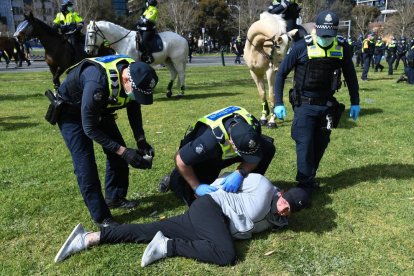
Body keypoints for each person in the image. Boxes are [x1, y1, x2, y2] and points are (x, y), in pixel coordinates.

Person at [54, 173, 311, 266]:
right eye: (285, 203)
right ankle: (167, 247)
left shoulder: (279, 220)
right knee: (226, 255)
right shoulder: (262, 185)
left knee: (149, 229)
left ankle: (89, 237)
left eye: (289, 211)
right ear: (283, 193)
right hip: (211, 209)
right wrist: (210, 187)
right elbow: (229, 180)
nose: (284, 210)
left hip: (212, 226)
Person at [52, 55, 158, 227]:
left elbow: (133, 107)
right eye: (136, 92)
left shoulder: (133, 73)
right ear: (125, 79)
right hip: (71, 113)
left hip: (99, 108)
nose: (136, 96)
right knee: (86, 166)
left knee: (118, 154)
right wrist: (124, 152)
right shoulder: (97, 82)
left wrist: (141, 141)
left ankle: (114, 198)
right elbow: (89, 128)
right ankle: (102, 218)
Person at [273, 11, 360, 193]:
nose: (326, 39)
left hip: (327, 105)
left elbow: (351, 77)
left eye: (330, 36)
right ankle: (305, 183)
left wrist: (355, 102)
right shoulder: (300, 47)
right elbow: (281, 74)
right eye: (323, 35)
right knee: (304, 143)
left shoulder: (342, 48)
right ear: (316, 30)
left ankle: (309, 176)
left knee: (321, 143)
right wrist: (278, 103)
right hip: (305, 104)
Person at [158, 106, 276, 206]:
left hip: (224, 153)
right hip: (205, 157)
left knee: (268, 149)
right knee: (198, 199)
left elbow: (256, 154)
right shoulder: (208, 142)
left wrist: (241, 172)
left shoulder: (253, 126)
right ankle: (173, 178)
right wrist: (197, 187)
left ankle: (246, 189)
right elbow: (180, 159)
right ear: (232, 143)